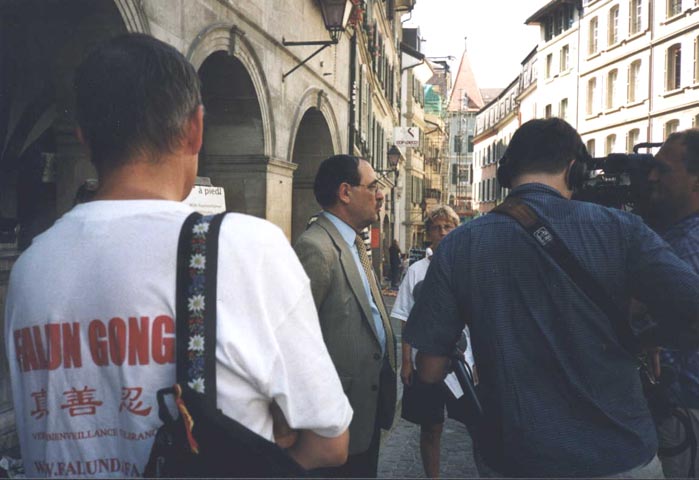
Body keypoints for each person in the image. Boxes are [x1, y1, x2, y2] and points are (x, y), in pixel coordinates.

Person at [4, 33, 351, 478]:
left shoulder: (30, 267)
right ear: (195, 129)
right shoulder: (244, 248)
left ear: (84, 139)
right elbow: (329, 442)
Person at [404, 117, 699, 478]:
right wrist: (647, 337)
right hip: (620, 454)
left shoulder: (459, 246)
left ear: (506, 172)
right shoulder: (622, 229)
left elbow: (430, 369)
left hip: (517, 458)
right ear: (575, 171)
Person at [294, 154, 397, 478]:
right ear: (345, 192)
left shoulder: (353, 243)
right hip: (336, 415)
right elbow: (295, 340)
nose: (380, 195)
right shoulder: (316, 247)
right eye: (373, 186)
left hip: (364, 408)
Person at [391, 205, 473, 478]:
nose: (442, 232)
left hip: (463, 361)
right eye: (436, 228)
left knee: (475, 423)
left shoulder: (467, 267)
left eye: (448, 227)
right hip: (424, 361)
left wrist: (479, 361)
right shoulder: (416, 271)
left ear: (456, 230)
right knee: (431, 426)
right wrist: (406, 362)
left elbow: (477, 320)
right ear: (428, 233)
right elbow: (405, 316)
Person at [643, 129, 699, 478]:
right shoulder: (673, 237)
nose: (651, 177)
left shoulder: (688, 243)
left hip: (686, 408)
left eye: (663, 169)